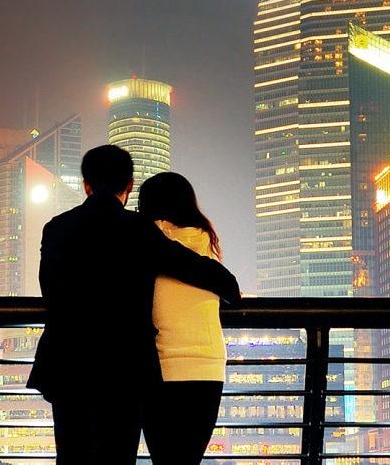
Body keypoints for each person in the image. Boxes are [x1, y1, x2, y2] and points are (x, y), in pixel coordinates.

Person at [26, 145, 241, 465]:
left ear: (86, 184)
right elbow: (192, 268)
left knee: (72, 457)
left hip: (67, 363)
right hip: (123, 369)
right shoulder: (138, 229)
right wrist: (229, 286)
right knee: (116, 457)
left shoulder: (56, 227)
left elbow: (50, 292)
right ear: (129, 185)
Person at [138, 172, 228, 465]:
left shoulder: (145, 244)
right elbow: (230, 289)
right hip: (207, 367)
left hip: (160, 367)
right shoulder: (205, 245)